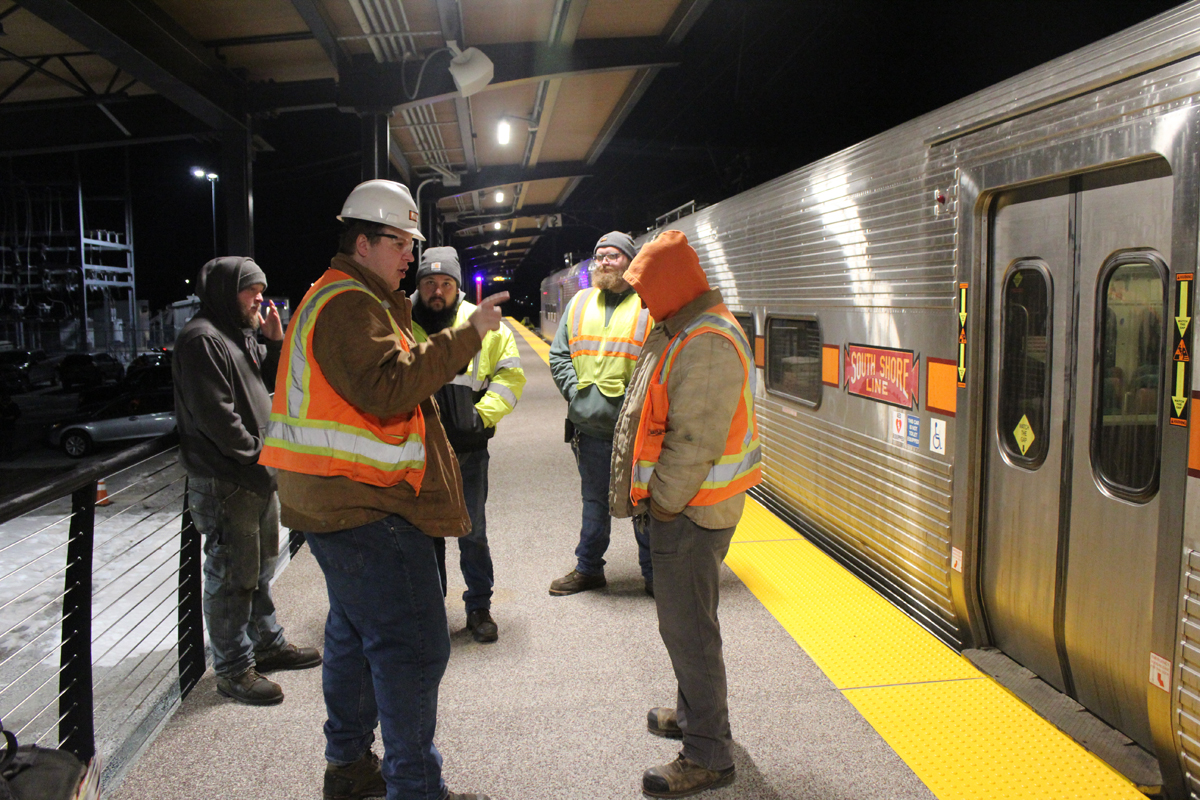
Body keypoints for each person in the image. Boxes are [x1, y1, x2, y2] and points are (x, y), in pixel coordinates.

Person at [259, 179, 500, 800]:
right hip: (366, 505)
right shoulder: (347, 305)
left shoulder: (345, 297)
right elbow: (390, 388)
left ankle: (348, 767)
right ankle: (415, 787)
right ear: (363, 242)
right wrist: (467, 335)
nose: (410, 257)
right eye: (400, 242)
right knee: (414, 648)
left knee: (352, 638)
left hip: (341, 504)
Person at [609, 230, 762, 798]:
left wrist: (664, 508)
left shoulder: (707, 341)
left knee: (690, 631)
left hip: (693, 512)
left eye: (647, 289)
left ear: (671, 283)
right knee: (684, 626)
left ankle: (708, 754)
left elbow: (694, 443)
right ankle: (693, 712)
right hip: (688, 508)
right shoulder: (683, 327)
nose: (642, 301)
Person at [172, 256, 322, 707]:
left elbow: (266, 384)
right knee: (231, 576)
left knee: (257, 569)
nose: (260, 297)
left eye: (261, 288)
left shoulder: (236, 336)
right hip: (226, 480)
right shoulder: (201, 339)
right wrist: (262, 453)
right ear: (223, 292)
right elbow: (218, 416)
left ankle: (267, 645)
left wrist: (273, 341)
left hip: (253, 476)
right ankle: (234, 670)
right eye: (250, 290)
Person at [410, 246, 525, 644]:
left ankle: (479, 606)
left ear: (457, 287)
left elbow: (511, 377)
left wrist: (482, 416)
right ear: (419, 285)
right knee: (425, 536)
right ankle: (430, 612)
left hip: (468, 450)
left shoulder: (483, 324)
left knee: (471, 531)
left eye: (445, 283)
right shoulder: (398, 321)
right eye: (429, 283)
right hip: (416, 451)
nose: (437, 290)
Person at [547, 232, 654, 596]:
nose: (605, 263)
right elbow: (559, 355)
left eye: (613, 256)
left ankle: (655, 577)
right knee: (594, 503)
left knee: (644, 504)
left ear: (629, 261)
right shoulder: (578, 303)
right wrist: (576, 395)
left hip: (638, 431)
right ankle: (589, 569)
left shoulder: (649, 305)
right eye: (599, 257)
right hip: (589, 427)